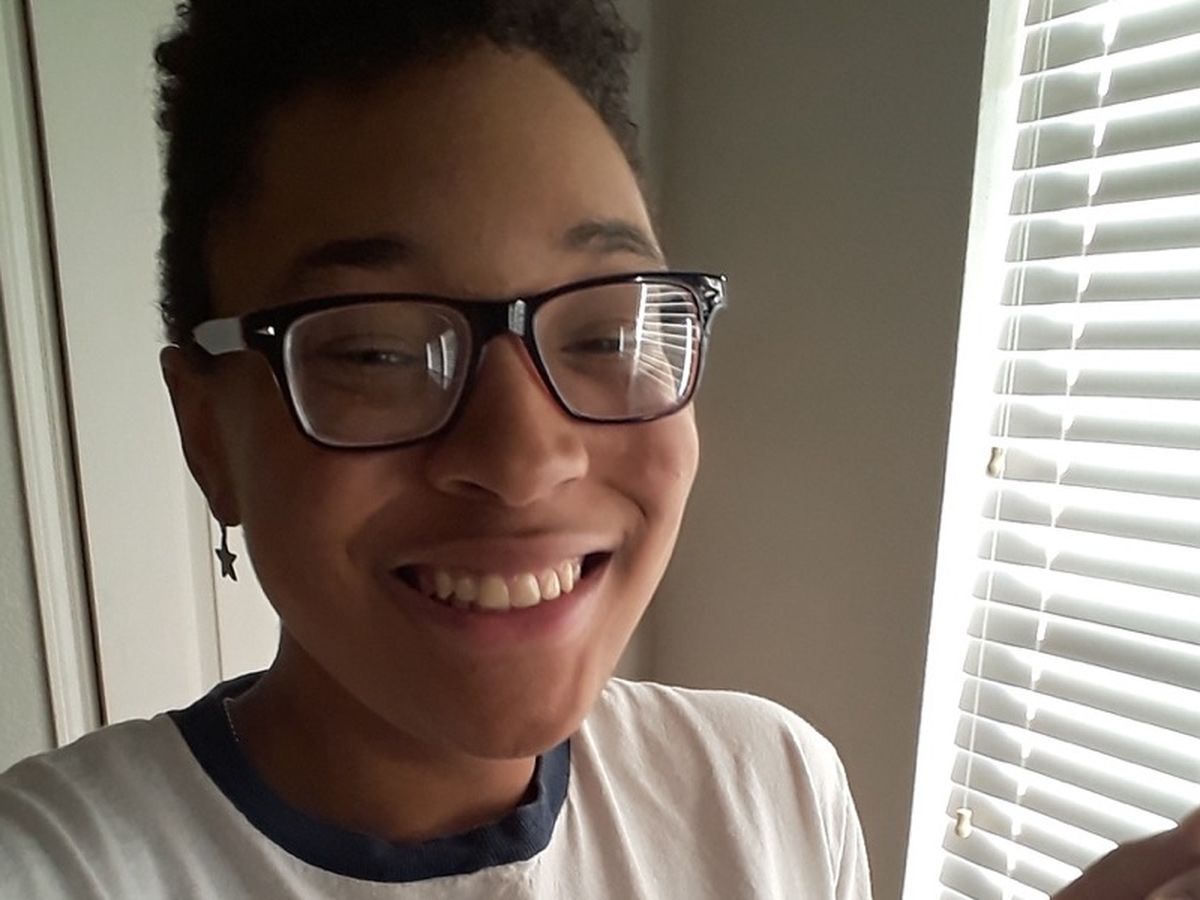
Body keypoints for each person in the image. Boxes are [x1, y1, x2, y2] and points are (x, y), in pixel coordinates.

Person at [0, 2, 1195, 899]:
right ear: (208, 433)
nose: (526, 459)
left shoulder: (770, 789)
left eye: (608, 331)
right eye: (374, 349)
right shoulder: (59, 868)